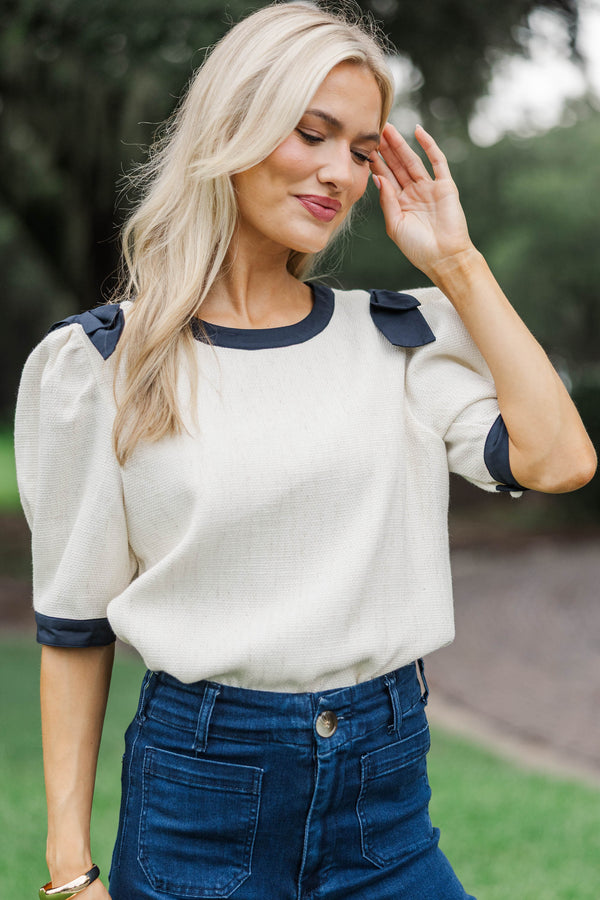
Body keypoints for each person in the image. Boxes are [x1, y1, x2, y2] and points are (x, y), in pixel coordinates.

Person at [15, 3, 596, 899]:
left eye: (361, 151)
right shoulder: (100, 365)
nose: (339, 173)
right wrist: (69, 869)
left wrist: (456, 262)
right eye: (312, 134)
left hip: (385, 802)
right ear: (234, 129)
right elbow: (73, 625)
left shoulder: (400, 338)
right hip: (200, 798)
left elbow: (560, 461)